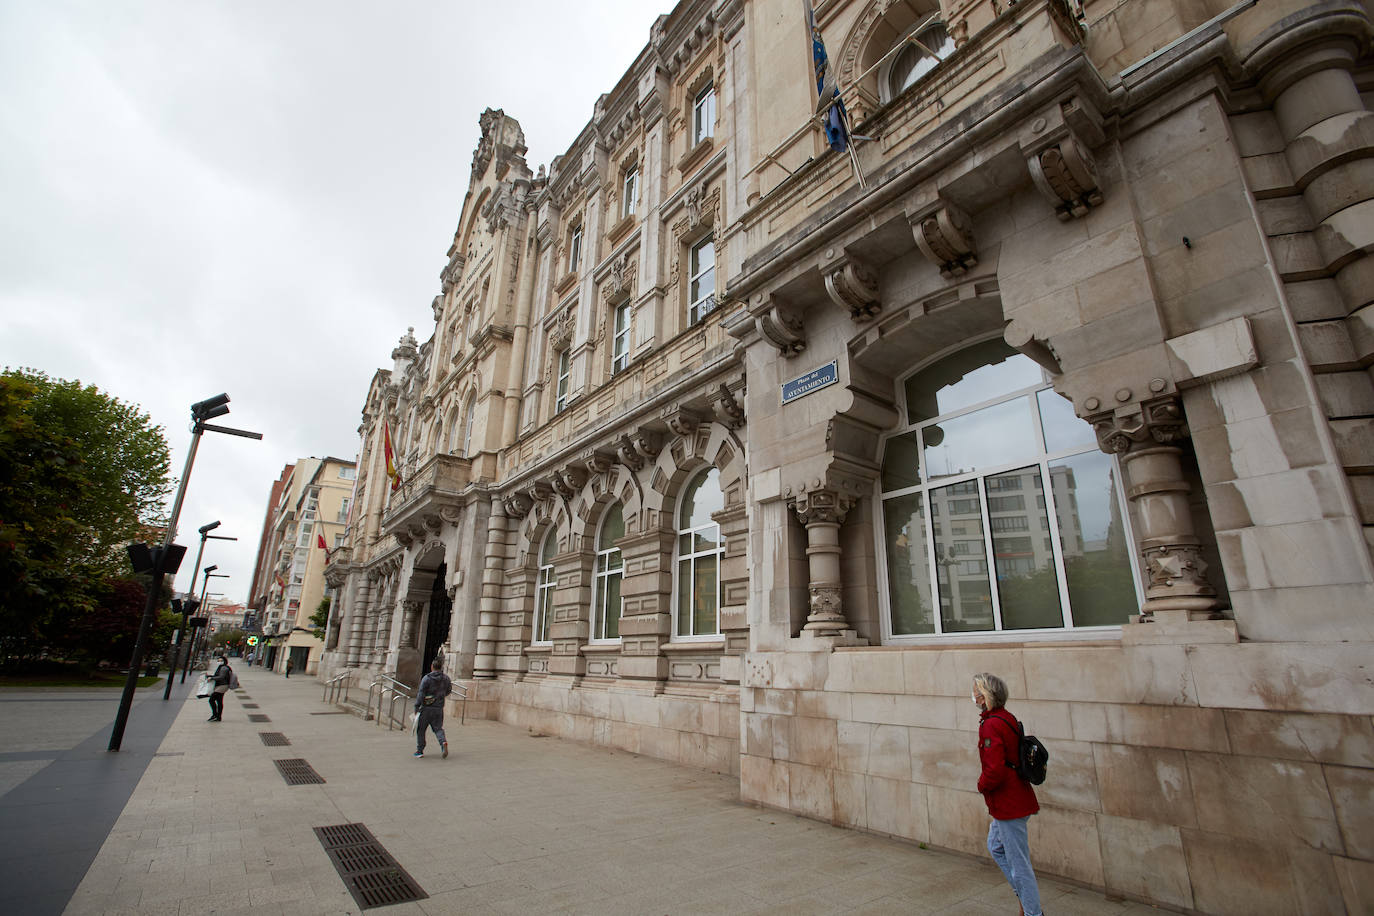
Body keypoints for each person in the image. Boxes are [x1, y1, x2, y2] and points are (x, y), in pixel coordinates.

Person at [973, 672, 1042, 916]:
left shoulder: (992, 724)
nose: (973, 695)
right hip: (1011, 800)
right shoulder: (1005, 717)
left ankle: (1033, 912)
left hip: (1009, 803)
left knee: (1019, 864)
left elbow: (994, 770)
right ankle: (1024, 898)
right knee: (996, 846)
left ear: (985, 696)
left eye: (976, 691)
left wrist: (981, 785)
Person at [413, 658, 452, 758]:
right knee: (438, 728)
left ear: (432, 667)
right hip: (438, 708)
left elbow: (421, 693)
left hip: (426, 708)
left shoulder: (427, 678)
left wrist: (417, 706)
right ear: (441, 667)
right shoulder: (446, 678)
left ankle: (420, 750)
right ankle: (443, 742)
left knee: (421, 730)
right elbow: (448, 690)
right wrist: (440, 696)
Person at [207, 655, 233, 722]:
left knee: (211, 700)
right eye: (218, 660)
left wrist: (212, 678)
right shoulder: (221, 667)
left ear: (224, 661)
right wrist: (210, 676)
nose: (219, 662)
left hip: (222, 686)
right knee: (219, 701)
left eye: (221, 660)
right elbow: (218, 676)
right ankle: (218, 717)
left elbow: (221, 677)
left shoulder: (224, 668)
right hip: (221, 685)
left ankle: (215, 715)